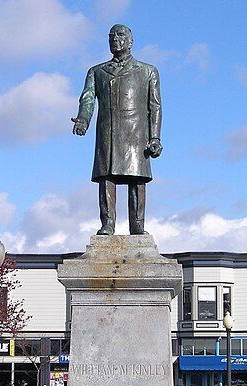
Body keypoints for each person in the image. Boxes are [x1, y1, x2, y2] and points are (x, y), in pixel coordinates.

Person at [72, 24, 162, 235]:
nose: (115, 39)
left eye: (121, 35)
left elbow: (155, 106)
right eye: (111, 36)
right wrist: (83, 119)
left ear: (131, 41)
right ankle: (108, 222)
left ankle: (138, 225)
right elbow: (87, 98)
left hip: (137, 134)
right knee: (106, 176)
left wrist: (155, 137)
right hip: (108, 131)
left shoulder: (147, 71)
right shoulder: (97, 71)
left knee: (137, 179)